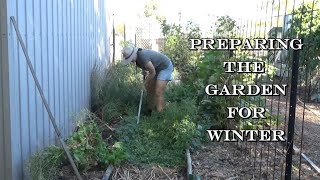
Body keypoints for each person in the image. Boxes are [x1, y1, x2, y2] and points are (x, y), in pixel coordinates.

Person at [121, 47, 174, 115]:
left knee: (158, 91)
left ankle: (160, 113)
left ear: (133, 55)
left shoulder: (142, 56)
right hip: (156, 68)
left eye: (130, 59)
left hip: (165, 67)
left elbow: (152, 72)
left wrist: (144, 83)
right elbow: (148, 68)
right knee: (149, 88)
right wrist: (145, 76)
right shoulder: (137, 59)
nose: (130, 61)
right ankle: (150, 109)